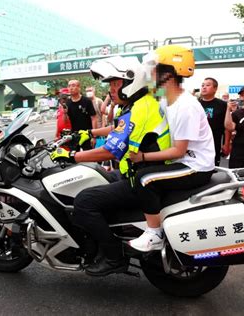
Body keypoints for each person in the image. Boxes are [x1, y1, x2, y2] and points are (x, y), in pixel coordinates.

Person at [50, 56, 170, 276]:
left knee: (84, 201)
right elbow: (118, 128)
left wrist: (71, 156)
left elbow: (109, 151)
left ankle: (114, 257)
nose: (111, 89)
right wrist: (87, 133)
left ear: (130, 83)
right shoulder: (141, 103)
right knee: (97, 177)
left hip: (142, 180)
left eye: (115, 84)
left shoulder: (139, 109)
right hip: (139, 173)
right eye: (111, 84)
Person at [128, 45, 215, 252]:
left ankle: (154, 234)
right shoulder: (166, 98)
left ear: (169, 74)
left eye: (154, 70)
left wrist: (142, 157)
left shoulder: (186, 106)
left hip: (195, 166)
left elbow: (179, 151)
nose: (149, 75)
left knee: (145, 179)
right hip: (183, 161)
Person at [199, 77, 231, 166]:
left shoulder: (223, 105)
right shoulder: (195, 104)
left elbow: (227, 127)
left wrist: (226, 144)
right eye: (202, 85)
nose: (204, 87)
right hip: (197, 144)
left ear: (215, 89)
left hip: (214, 144)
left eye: (208, 85)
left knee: (213, 169)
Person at [66, 80, 97, 150]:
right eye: (69, 86)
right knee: (73, 158)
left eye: (73, 85)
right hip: (73, 135)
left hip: (87, 134)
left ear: (79, 87)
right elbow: (66, 121)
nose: (71, 88)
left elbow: (94, 118)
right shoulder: (67, 103)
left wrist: (94, 136)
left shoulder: (86, 101)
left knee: (90, 157)